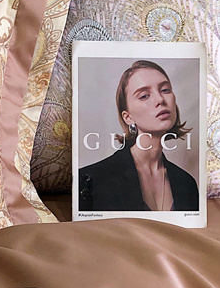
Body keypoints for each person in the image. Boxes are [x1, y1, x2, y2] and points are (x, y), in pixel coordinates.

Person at [78, 60, 200, 212]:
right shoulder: (89, 180)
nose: (160, 100)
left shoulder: (187, 184)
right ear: (128, 117)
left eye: (165, 90)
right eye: (144, 96)